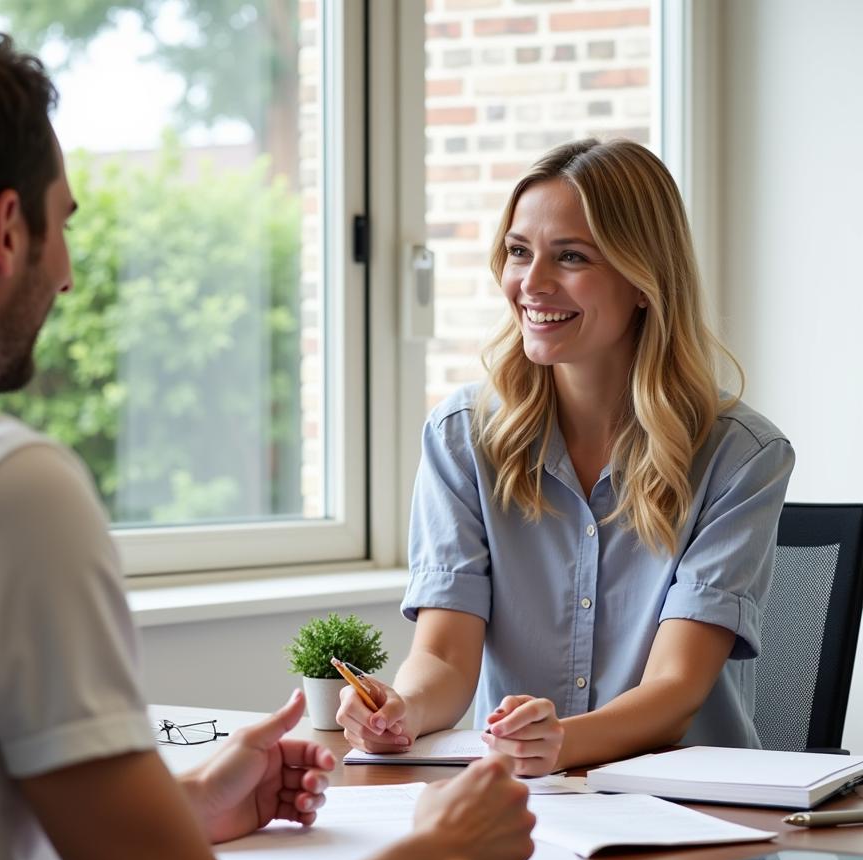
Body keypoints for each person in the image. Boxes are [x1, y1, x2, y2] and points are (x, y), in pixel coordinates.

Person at [0, 20, 538, 860]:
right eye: (61, 224)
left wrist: (195, 803)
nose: (70, 270)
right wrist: (440, 851)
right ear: (4, 229)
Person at [338, 138, 795, 776]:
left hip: (691, 810)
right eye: (519, 252)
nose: (532, 283)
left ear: (645, 281)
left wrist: (562, 744)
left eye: (571, 256)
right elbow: (443, 659)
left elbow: (674, 690)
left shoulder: (742, 457)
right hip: (523, 808)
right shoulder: (462, 436)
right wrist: (401, 708)